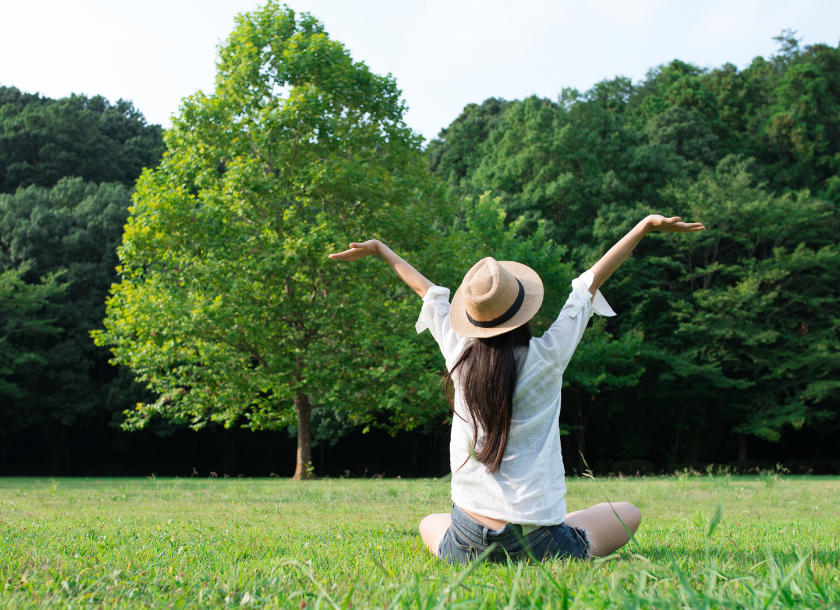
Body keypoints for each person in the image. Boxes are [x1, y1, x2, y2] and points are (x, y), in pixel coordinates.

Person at [329, 214, 704, 564]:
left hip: (467, 542)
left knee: (431, 521)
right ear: (524, 310)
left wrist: (380, 249)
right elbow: (588, 284)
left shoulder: (459, 353)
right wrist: (643, 227)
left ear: (473, 318)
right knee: (628, 513)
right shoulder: (548, 356)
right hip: (542, 543)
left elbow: (428, 292)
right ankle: (551, 526)